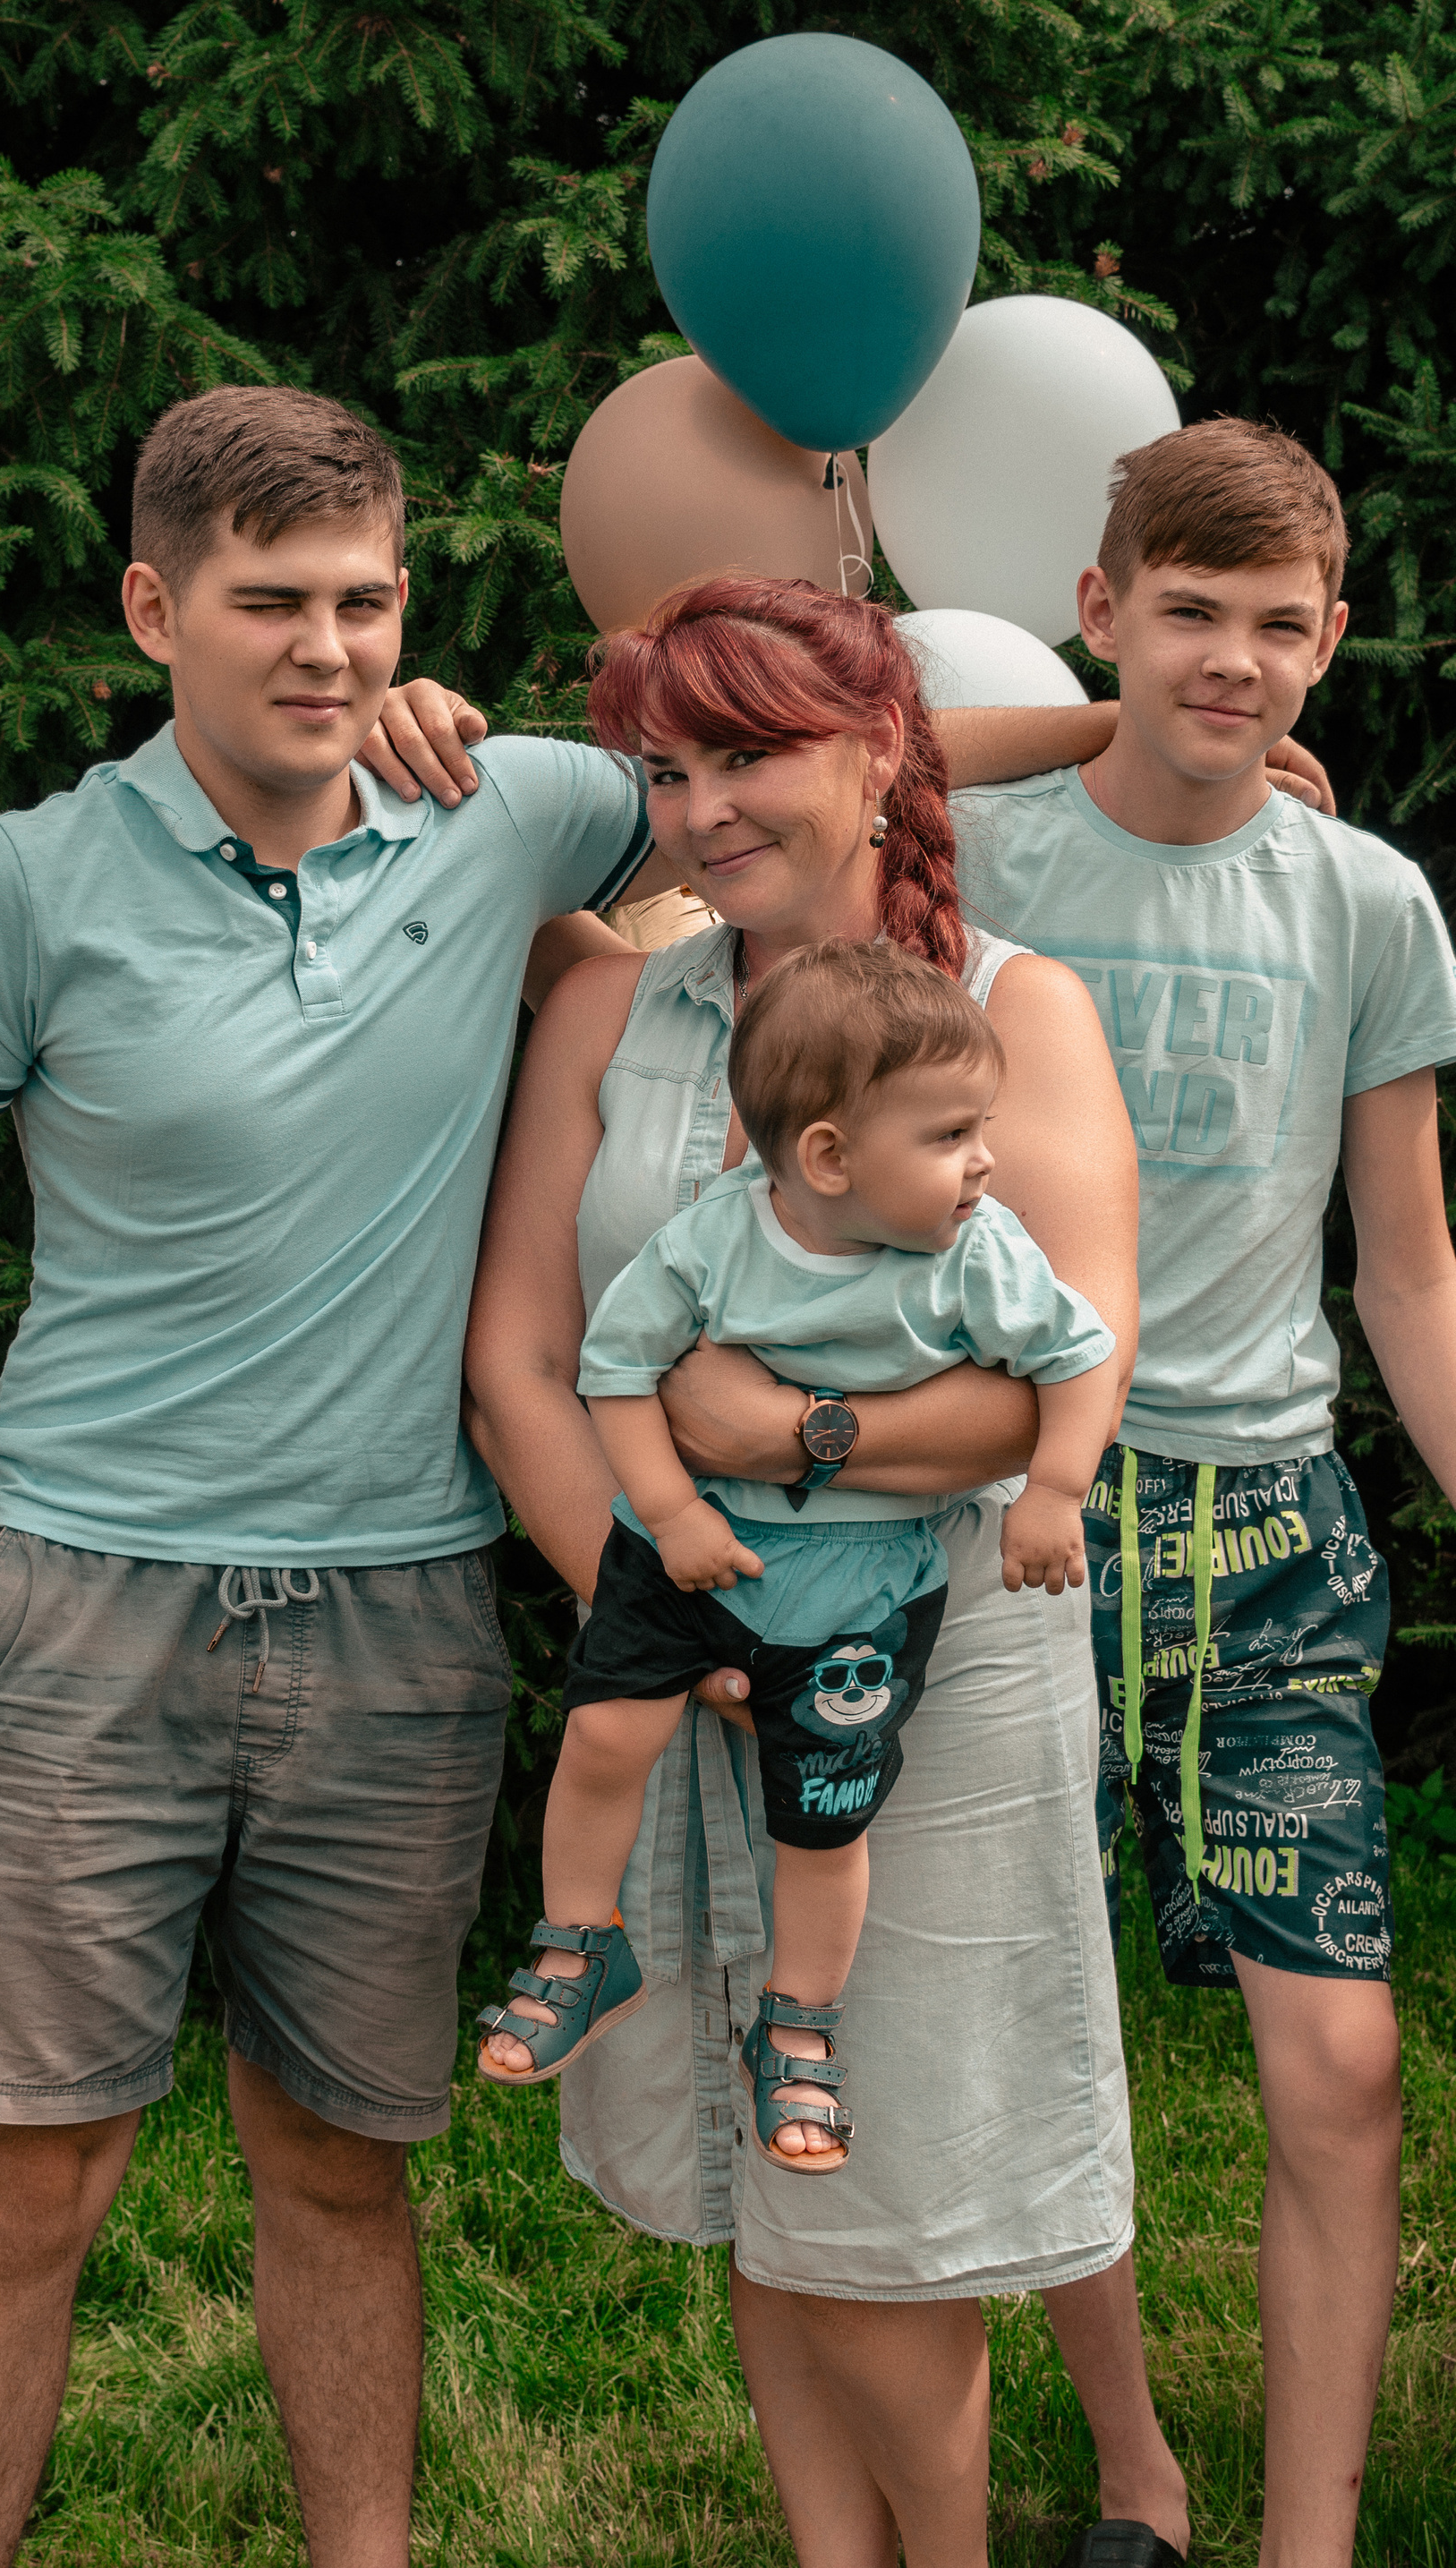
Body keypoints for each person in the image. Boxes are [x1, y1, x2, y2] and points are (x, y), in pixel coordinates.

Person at [0, 380, 1171, 2568]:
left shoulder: (502, 809)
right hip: (84, 1604)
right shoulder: (25, 888)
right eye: (269, 602)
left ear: (407, 603)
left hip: (396, 1623)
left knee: (345, 2167)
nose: (324, 647)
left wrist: (1151, 739)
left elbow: (810, 752)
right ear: (152, 607)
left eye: (363, 601)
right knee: (24, 2180)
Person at [464, 573, 1166, 2568]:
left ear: (881, 758)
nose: (701, 812)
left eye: (750, 755)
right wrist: (679, 1613)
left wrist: (787, 1440)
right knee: (754, 2177)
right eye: (668, 770)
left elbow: (1060, 1376)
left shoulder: (1015, 1012)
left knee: (890, 2193)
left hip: (921, 1672)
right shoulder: (615, 1006)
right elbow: (520, 1358)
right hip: (674, 1644)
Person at [948, 417, 1456, 2568]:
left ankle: (1306, 2542)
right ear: (1101, 611)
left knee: (1339, 2061)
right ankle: (1136, 2474)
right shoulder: (982, 865)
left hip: (1269, 1545)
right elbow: (828, 755)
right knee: (1037, 2027)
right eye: (1185, 616)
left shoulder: (1368, 901)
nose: (1232, 661)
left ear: (1332, 637)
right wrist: (1089, 729)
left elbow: (1406, 1261)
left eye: (1276, 625)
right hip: (1018, 1521)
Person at [476, 939, 1120, 2188]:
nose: (984, 1160)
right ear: (828, 1157)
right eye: (950, 1135)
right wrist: (670, 1512)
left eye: (980, 1128)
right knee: (603, 1736)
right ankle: (580, 1942)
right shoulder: (713, 1241)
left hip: (857, 1588)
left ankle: (799, 2024)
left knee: (822, 1827)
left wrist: (1054, 1490)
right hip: (688, 1551)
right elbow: (615, 1370)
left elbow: (1080, 1358)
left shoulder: (978, 1256)